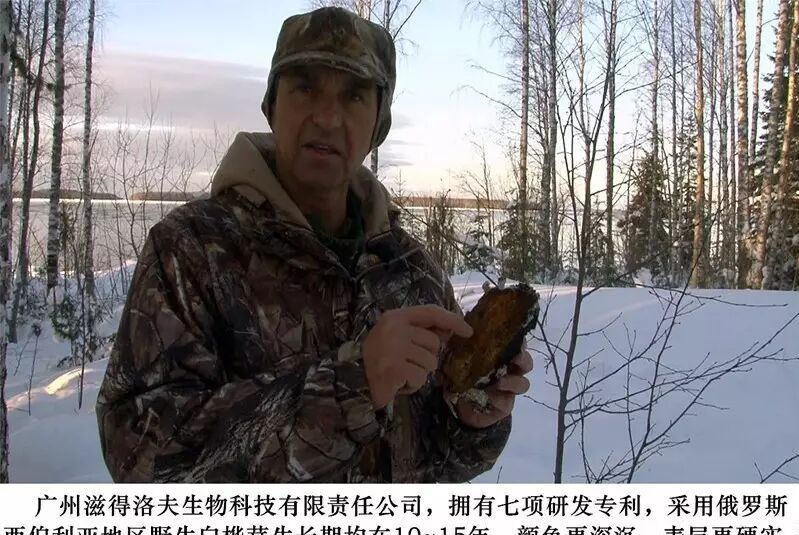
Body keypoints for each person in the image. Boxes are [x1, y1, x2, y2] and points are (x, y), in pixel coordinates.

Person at [95, 6, 533, 483]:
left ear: (378, 124)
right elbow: (140, 461)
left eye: (354, 95)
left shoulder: (410, 269)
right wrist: (353, 386)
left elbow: (436, 463)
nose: (327, 117)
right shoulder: (191, 251)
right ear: (272, 106)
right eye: (305, 88)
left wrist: (469, 420)